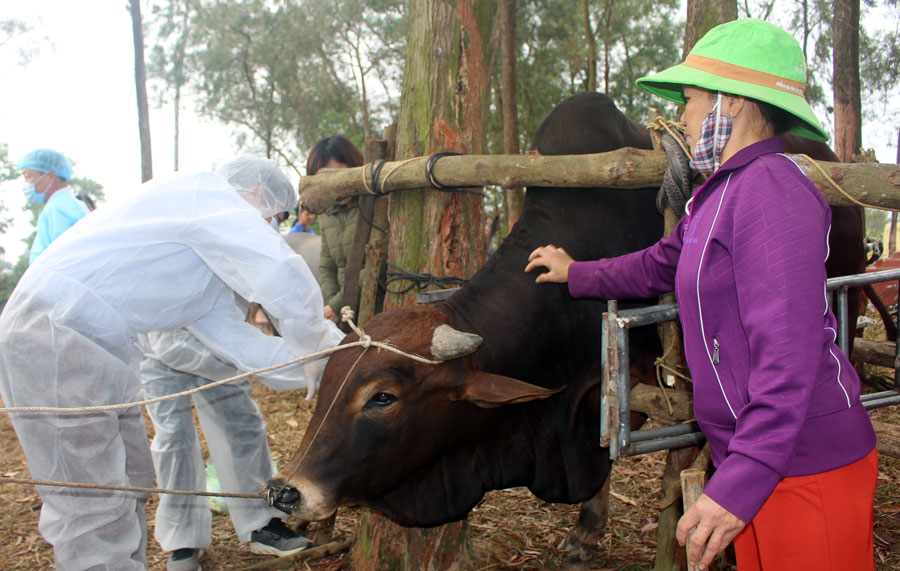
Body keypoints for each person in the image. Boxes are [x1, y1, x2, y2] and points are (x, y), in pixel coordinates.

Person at [525, 19, 877, 571]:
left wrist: (744, 478)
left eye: (688, 100)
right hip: (759, 461)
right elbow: (660, 263)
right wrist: (577, 273)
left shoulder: (772, 190)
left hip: (804, 464)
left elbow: (789, 354)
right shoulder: (720, 193)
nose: (678, 119)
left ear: (731, 103)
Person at [0, 155, 344, 571]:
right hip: (55, 331)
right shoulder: (206, 195)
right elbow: (278, 272)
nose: (272, 227)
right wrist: (314, 340)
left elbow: (243, 346)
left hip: (93, 343)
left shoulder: (201, 262)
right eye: (275, 216)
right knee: (91, 497)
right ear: (254, 194)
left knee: (129, 477)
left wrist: (335, 360)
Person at [139, 314, 315, 568]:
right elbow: (172, 347)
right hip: (156, 339)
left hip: (217, 334)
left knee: (242, 425)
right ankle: (183, 539)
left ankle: (262, 524)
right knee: (173, 438)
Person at [307, 136, 365, 323]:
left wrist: (337, 305)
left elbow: (376, 266)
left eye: (337, 175)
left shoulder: (374, 206)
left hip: (372, 304)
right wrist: (332, 306)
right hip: (344, 314)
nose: (331, 184)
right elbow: (326, 265)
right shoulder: (327, 213)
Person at [17, 148, 90, 264]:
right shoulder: (68, 205)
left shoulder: (58, 210)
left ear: (50, 176)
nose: (27, 183)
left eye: (28, 176)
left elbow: (61, 262)